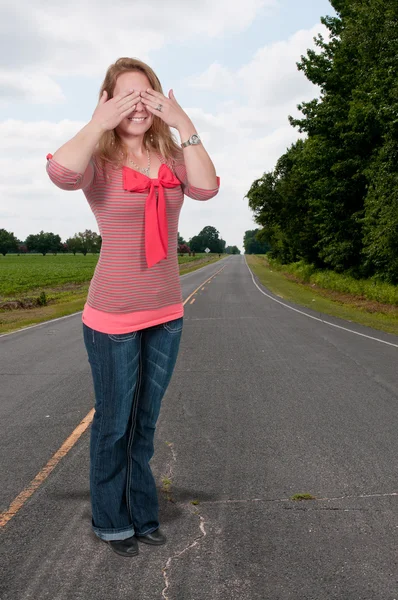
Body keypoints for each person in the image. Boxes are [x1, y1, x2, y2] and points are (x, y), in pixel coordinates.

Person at [45, 57, 220, 557]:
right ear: (108, 101)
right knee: (114, 421)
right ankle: (110, 517)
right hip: (111, 317)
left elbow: (207, 188)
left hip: (166, 314)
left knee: (145, 422)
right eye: (126, 96)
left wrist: (182, 122)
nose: (137, 105)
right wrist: (97, 123)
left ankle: (142, 512)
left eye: (146, 95)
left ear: (159, 99)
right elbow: (59, 171)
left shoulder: (172, 156)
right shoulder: (97, 162)